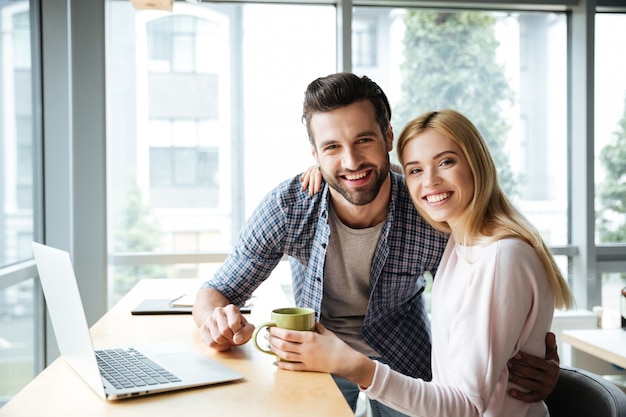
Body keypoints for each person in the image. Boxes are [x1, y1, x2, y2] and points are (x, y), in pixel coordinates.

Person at [192, 73, 560, 417]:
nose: (351, 161)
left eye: (363, 140)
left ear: (387, 138)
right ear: (315, 156)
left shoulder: (431, 209)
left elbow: (498, 282)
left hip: (412, 371)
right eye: (332, 147)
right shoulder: (291, 207)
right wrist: (216, 322)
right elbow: (219, 290)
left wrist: (537, 356)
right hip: (316, 365)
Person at [267, 108, 575, 417]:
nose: (430, 181)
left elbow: (465, 406)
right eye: (415, 170)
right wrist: (335, 172)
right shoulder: (458, 245)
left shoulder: (499, 256)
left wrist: (352, 364)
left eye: (446, 162)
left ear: (477, 162)